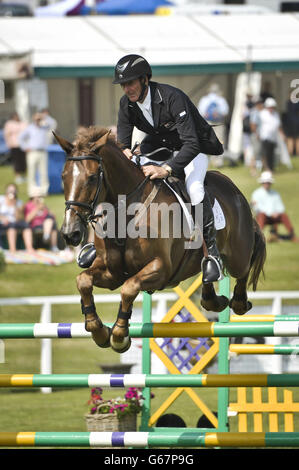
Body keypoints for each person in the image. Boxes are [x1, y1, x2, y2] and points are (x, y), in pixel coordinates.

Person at [79, 54, 225, 284]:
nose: (127, 89)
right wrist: (125, 154)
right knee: (117, 178)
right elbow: (124, 144)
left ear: (145, 79)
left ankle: (212, 256)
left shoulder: (172, 98)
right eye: (124, 85)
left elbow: (191, 143)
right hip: (157, 149)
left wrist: (166, 169)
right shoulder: (126, 104)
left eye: (131, 83)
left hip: (190, 150)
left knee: (195, 188)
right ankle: (96, 243)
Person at [251, 171, 298, 243]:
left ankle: (292, 235)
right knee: (261, 215)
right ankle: (258, 237)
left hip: (275, 216)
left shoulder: (275, 193)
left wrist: (277, 213)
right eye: (265, 182)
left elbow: (281, 207)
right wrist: (270, 213)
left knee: (284, 216)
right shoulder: (256, 193)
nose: (266, 184)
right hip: (263, 216)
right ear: (262, 183)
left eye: (268, 182)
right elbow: (257, 207)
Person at [19, 112, 50, 197]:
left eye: (39, 119)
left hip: (43, 152)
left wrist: (43, 118)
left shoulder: (44, 127)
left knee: (43, 172)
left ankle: (44, 191)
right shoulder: (30, 128)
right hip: (32, 152)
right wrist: (25, 147)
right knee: (32, 172)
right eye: (37, 119)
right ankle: (32, 192)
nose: (38, 120)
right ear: (33, 119)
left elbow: (50, 125)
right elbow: (21, 138)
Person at [198, 83, 229, 164]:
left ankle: (210, 160)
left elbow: (200, 111)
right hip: (216, 122)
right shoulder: (221, 99)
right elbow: (225, 111)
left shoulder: (205, 99)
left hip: (210, 122)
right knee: (219, 140)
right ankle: (218, 160)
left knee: (208, 140)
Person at [0, 183, 34, 253]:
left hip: (14, 222)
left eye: (13, 191)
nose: (12, 192)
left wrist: (14, 204)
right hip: (3, 222)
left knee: (25, 225)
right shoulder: (1, 199)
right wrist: (2, 218)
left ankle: (29, 248)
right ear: (6, 191)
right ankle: (13, 249)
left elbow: (18, 217)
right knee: (12, 226)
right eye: (10, 190)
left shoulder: (19, 202)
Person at [24, 187, 59, 252]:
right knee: (50, 222)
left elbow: (53, 216)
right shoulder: (28, 205)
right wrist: (37, 209)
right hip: (33, 225)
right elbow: (27, 219)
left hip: (45, 225)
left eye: (40, 196)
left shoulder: (43, 205)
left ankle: (49, 240)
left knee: (51, 221)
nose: (38, 198)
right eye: (37, 196)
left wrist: (46, 209)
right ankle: (31, 247)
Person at [259, 97, 284, 172]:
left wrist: (282, 134)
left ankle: (271, 168)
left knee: (272, 154)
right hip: (265, 137)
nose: (271, 108)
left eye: (272, 107)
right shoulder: (262, 113)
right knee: (265, 153)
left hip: (273, 137)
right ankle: (267, 168)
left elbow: (278, 125)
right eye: (270, 107)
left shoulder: (276, 114)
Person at [3, 112, 27, 184]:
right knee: (16, 161)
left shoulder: (22, 123)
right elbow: (6, 135)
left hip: (23, 145)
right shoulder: (9, 124)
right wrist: (8, 143)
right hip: (14, 145)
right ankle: (17, 175)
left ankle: (23, 175)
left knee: (23, 161)